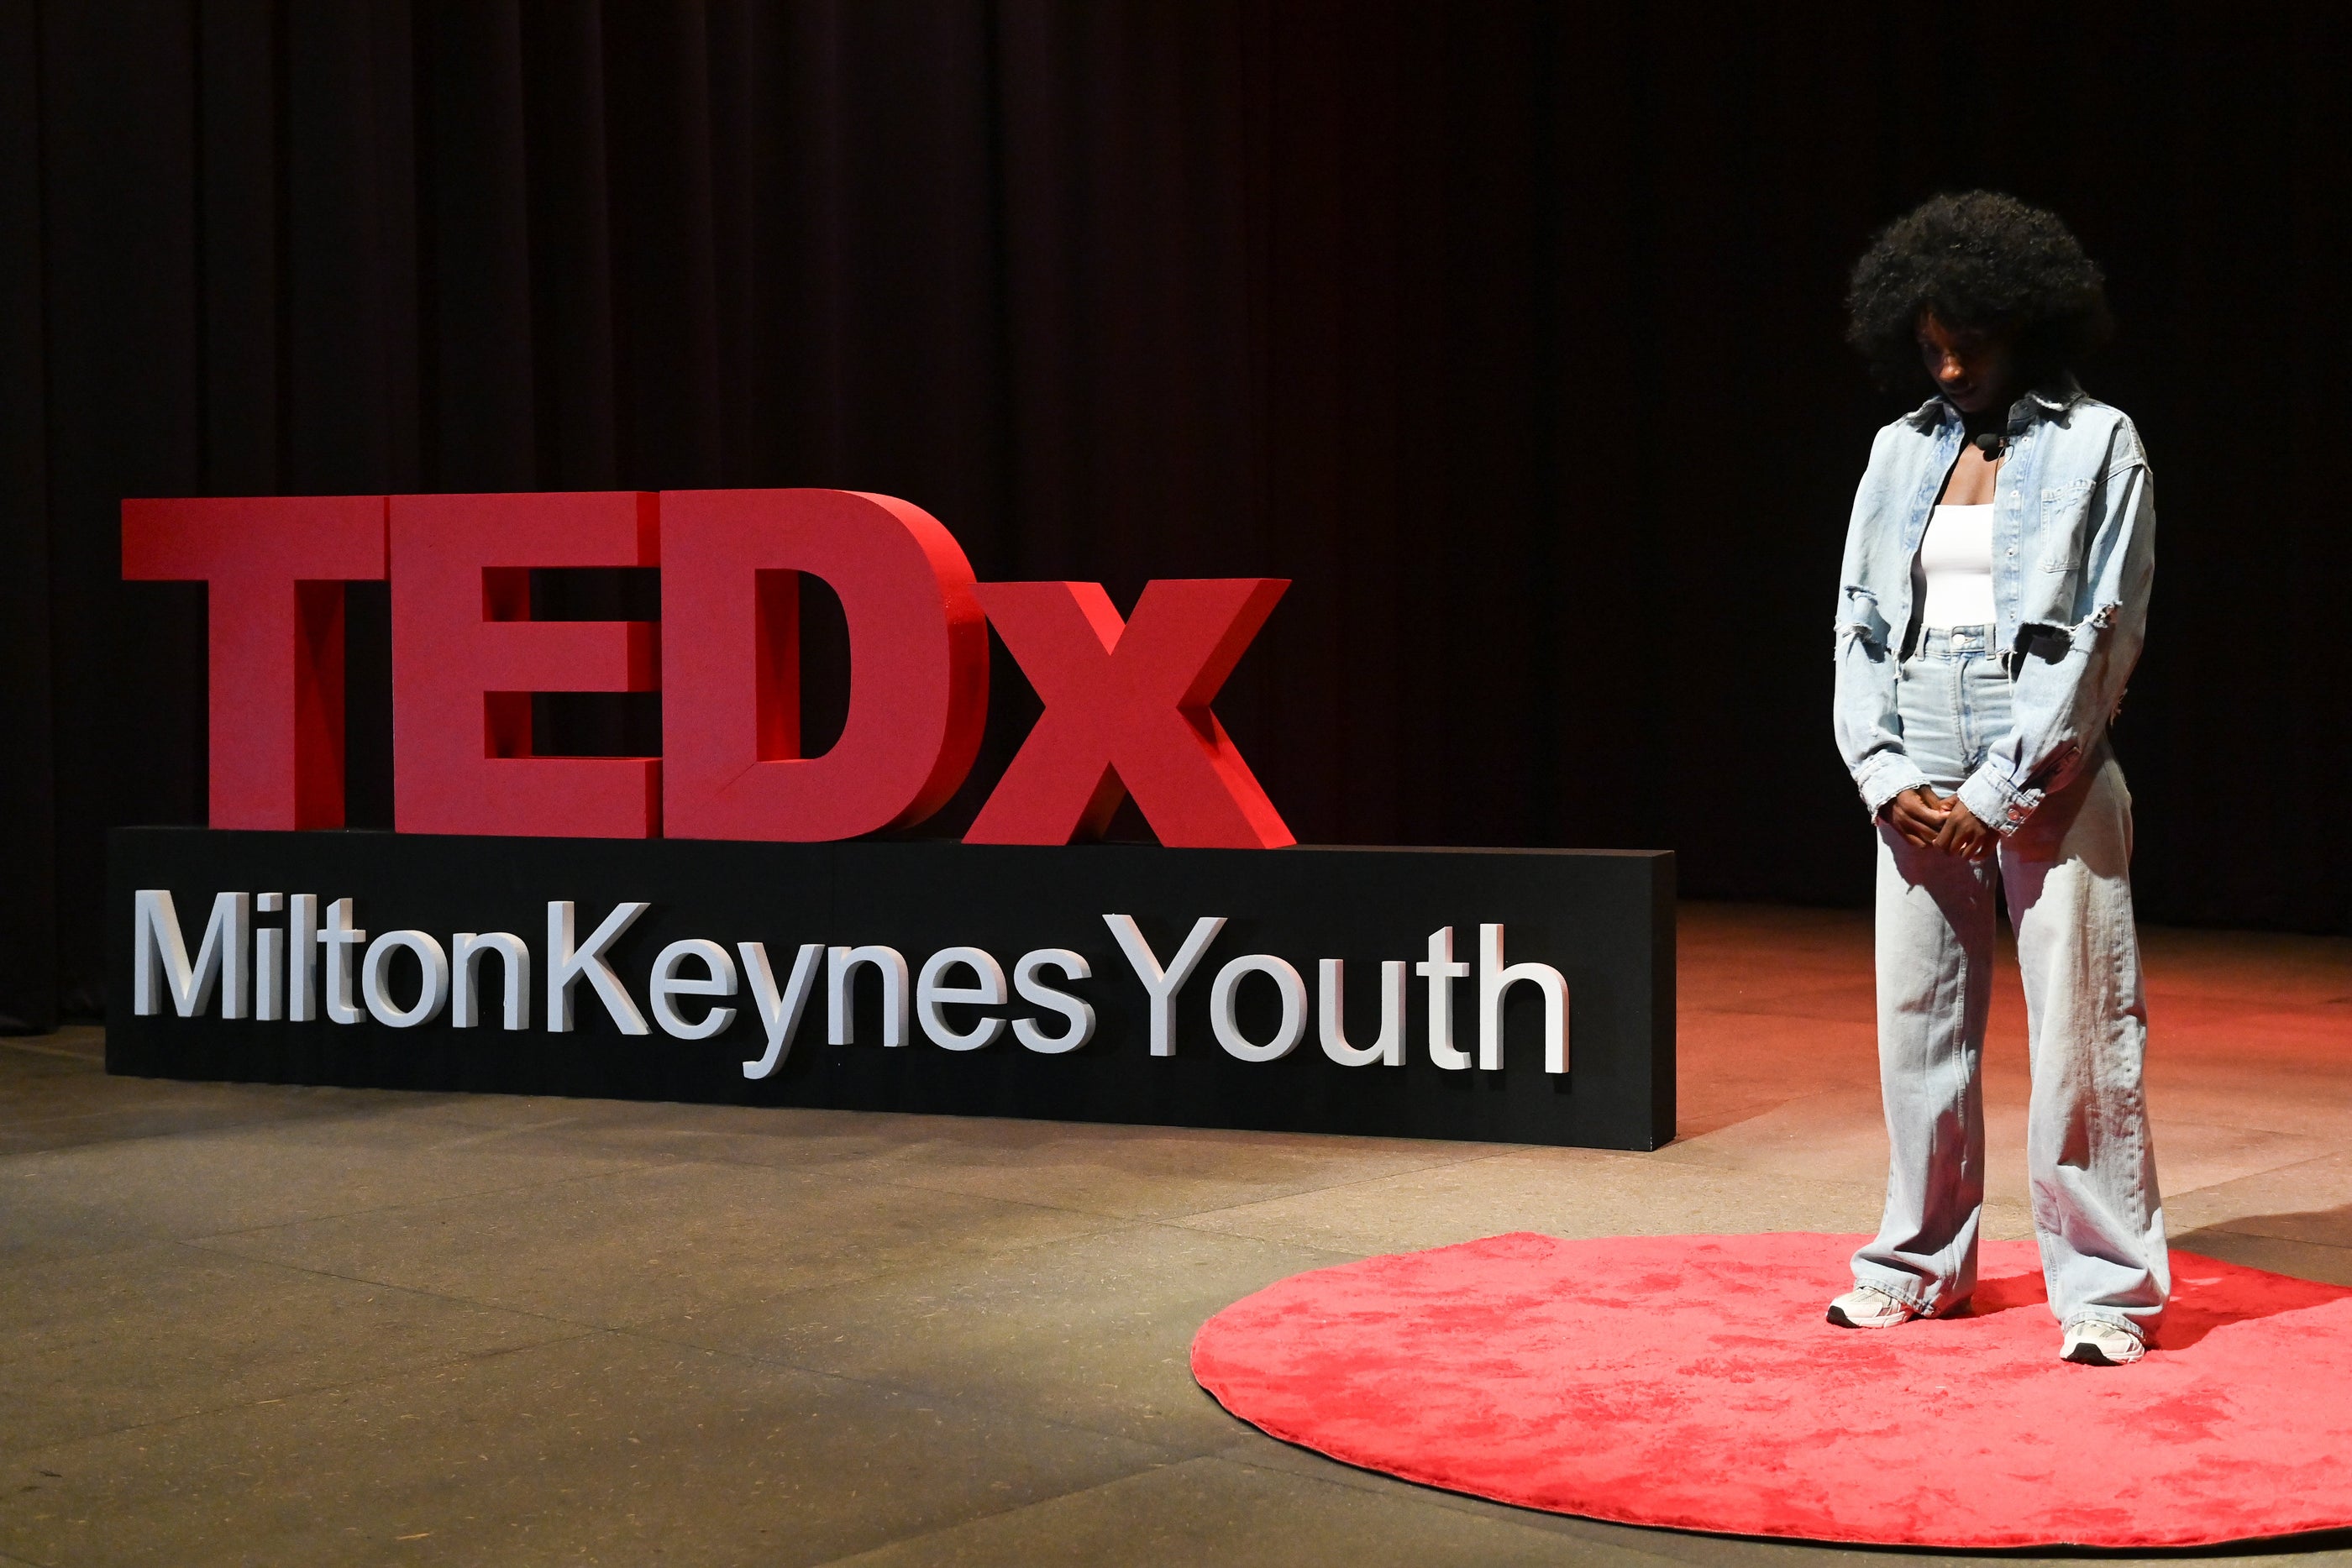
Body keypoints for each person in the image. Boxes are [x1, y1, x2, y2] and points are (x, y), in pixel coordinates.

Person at [1824, 191, 2166, 1366]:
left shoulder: (2096, 443)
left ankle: (2107, 1294)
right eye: (1929, 343)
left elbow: (2098, 635)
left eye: (1970, 336)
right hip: (1914, 749)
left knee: (2080, 1033)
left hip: (2048, 762)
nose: (1952, 361)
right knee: (1916, 1029)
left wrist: (1998, 792)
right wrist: (1881, 769)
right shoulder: (1897, 450)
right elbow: (1858, 627)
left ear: (2030, 322)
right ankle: (1916, 1266)